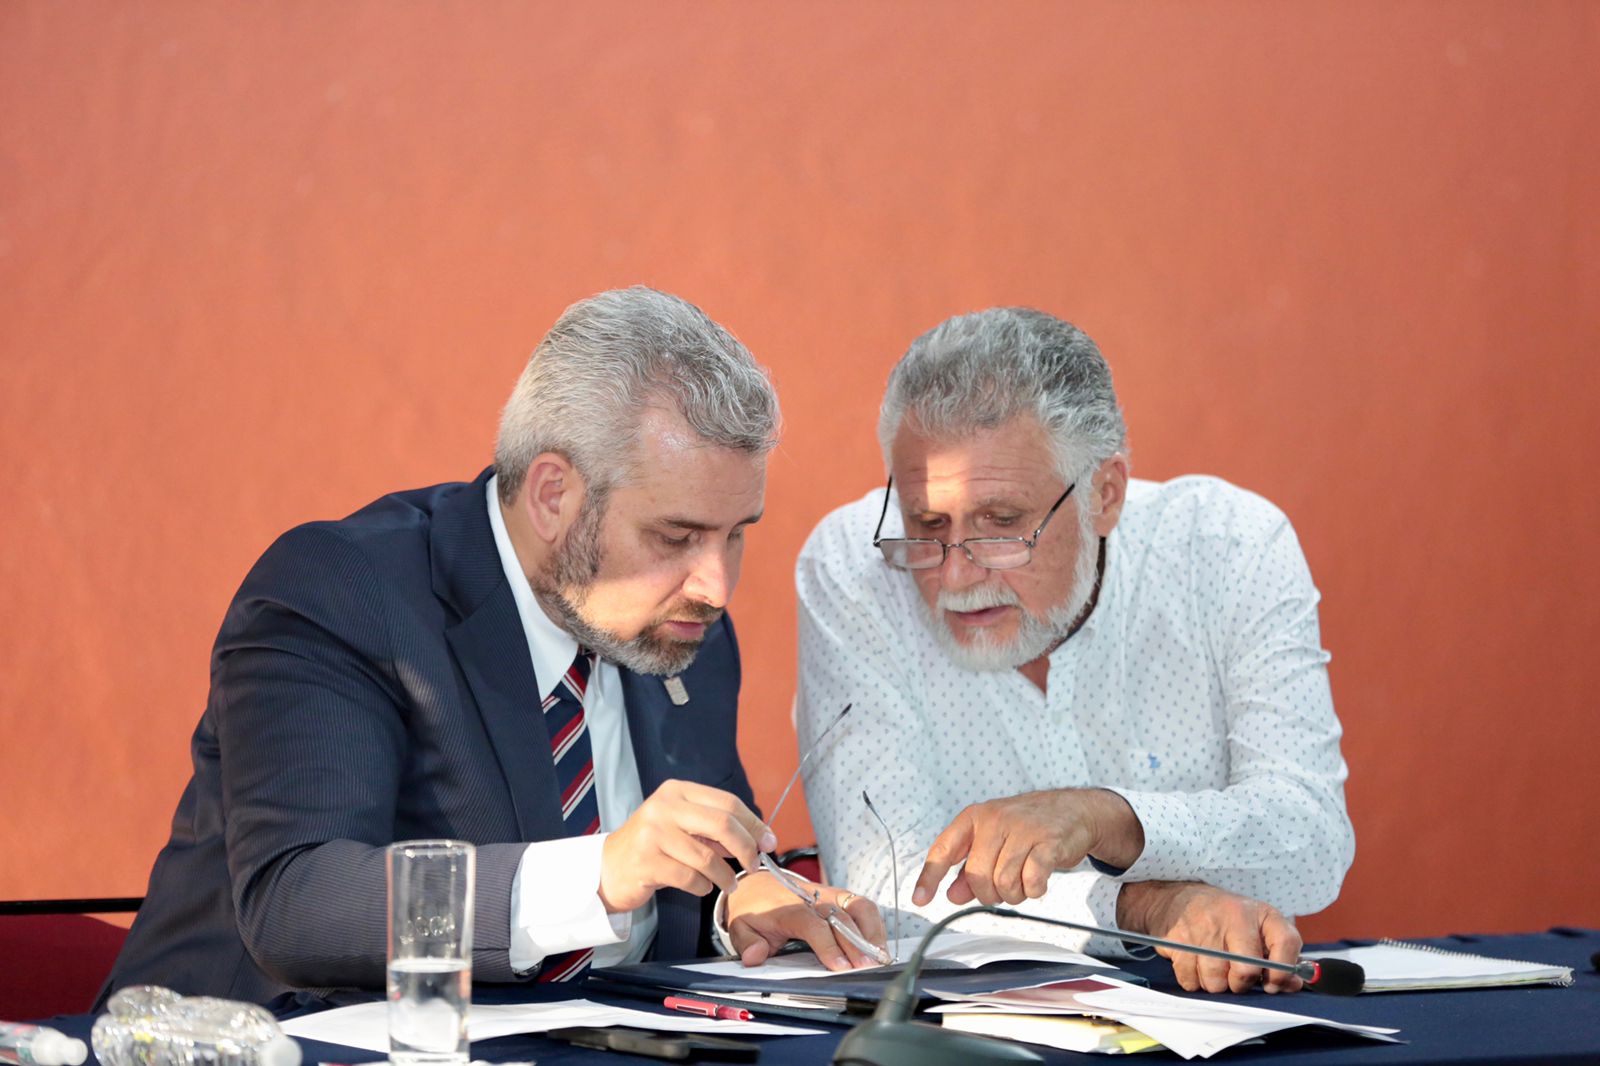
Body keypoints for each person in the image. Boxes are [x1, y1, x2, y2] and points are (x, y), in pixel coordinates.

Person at [106, 286, 884, 1006]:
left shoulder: (683, 633)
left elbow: (692, 865)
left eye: (736, 535)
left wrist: (740, 901)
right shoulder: (344, 591)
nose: (716, 586)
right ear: (553, 495)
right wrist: (596, 874)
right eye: (676, 537)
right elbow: (296, 903)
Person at [796, 307, 1354, 994]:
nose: (955, 577)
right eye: (927, 524)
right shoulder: (852, 570)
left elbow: (1312, 845)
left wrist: (1110, 818)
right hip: (971, 1022)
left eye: (1001, 524)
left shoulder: (1229, 550)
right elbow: (883, 888)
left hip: (1223, 1003)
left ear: (1105, 495)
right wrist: (1141, 904)